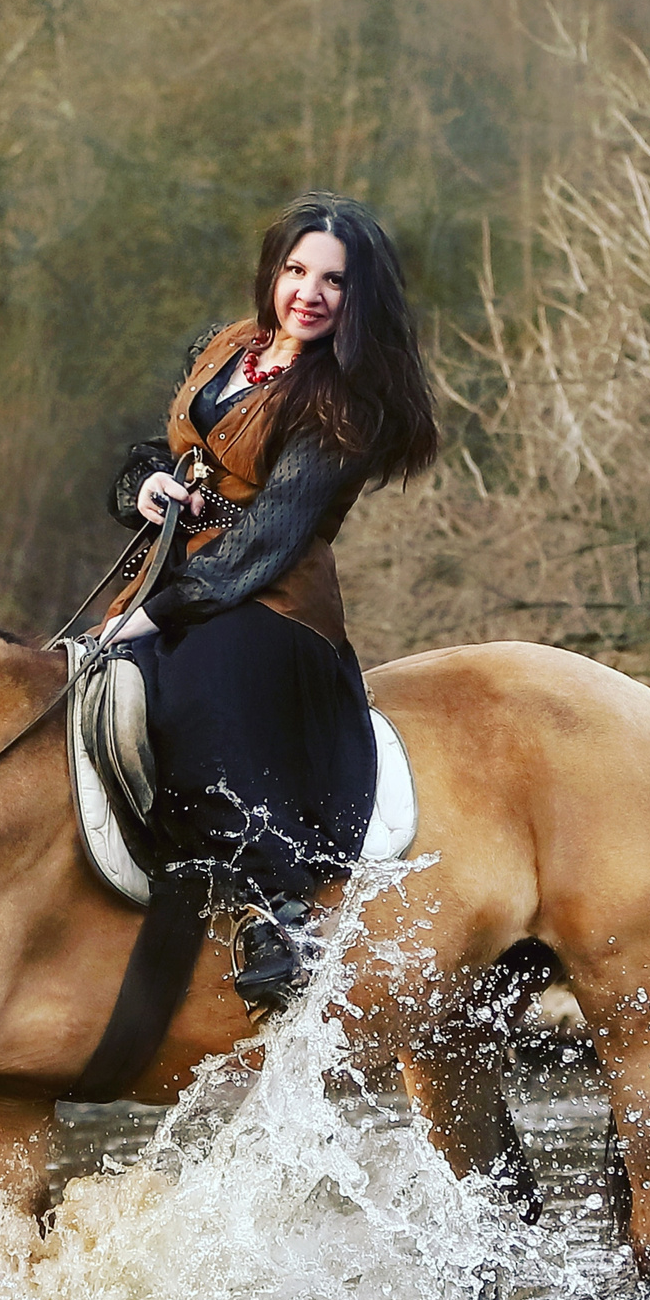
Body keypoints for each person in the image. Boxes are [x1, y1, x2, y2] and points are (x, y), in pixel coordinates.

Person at [99, 192, 438, 1013]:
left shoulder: (345, 403)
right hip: (172, 573)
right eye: (295, 270)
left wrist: (161, 612)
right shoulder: (228, 348)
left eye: (334, 281)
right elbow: (174, 448)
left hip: (273, 604)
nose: (308, 293)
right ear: (272, 273)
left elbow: (265, 542)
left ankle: (275, 913)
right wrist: (144, 482)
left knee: (191, 689)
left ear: (361, 300)